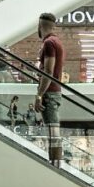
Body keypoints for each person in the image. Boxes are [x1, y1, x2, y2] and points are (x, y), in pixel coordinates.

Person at [34, 12, 64, 167]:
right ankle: (55, 163)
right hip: (54, 91)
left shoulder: (49, 43)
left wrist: (39, 95)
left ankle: (56, 165)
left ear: (40, 26)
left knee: (53, 128)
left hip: (49, 92)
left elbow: (48, 71)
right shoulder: (56, 41)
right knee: (53, 128)